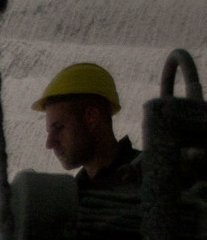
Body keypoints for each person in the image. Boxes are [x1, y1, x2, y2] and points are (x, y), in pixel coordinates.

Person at [36, 62, 139, 195]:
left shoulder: (153, 177)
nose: (49, 144)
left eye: (59, 127)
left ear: (92, 117)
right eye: (49, 132)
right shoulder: (76, 194)